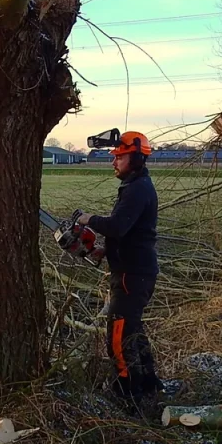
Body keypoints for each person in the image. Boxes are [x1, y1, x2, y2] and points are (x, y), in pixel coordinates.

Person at [76, 131, 162, 404]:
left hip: (131, 275)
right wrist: (105, 250)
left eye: (119, 157)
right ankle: (149, 384)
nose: (114, 162)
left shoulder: (137, 189)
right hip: (135, 271)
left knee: (118, 335)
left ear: (135, 158)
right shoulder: (137, 186)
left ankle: (126, 392)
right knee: (133, 330)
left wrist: (89, 218)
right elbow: (128, 232)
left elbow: (117, 226)